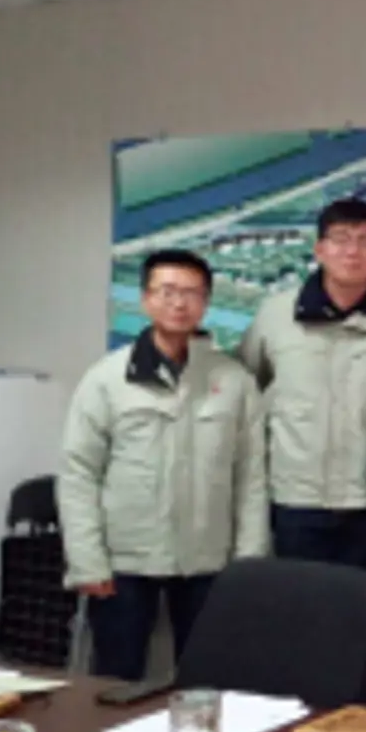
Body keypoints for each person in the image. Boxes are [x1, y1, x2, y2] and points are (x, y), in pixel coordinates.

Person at [58, 249, 269, 681]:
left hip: (208, 559)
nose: (179, 303)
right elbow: (79, 472)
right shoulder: (106, 379)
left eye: (191, 293)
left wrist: (249, 562)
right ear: (146, 299)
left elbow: (251, 477)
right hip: (124, 560)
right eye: (167, 291)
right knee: (116, 681)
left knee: (208, 679)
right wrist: (87, 561)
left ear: (206, 302)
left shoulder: (233, 380)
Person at [239, 197, 366, 574]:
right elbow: (247, 389)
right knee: (297, 605)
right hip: (293, 499)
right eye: (340, 239)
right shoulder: (275, 315)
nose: (352, 251)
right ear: (319, 249)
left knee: (365, 606)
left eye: (365, 240)